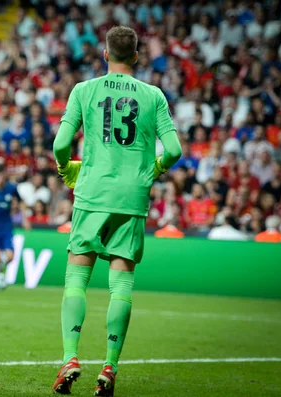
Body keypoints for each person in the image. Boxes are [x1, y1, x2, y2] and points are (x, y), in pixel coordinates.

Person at [51, 27, 181, 396]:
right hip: (132, 197)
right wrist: (152, 170)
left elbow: (61, 143)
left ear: (105, 55)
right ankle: (109, 366)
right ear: (136, 57)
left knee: (77, 278)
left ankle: (71, 357)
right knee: (121, 284)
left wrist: (67, 170)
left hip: (92, 191)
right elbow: (173, 150)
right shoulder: (153, 95)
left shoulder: (84, 90)